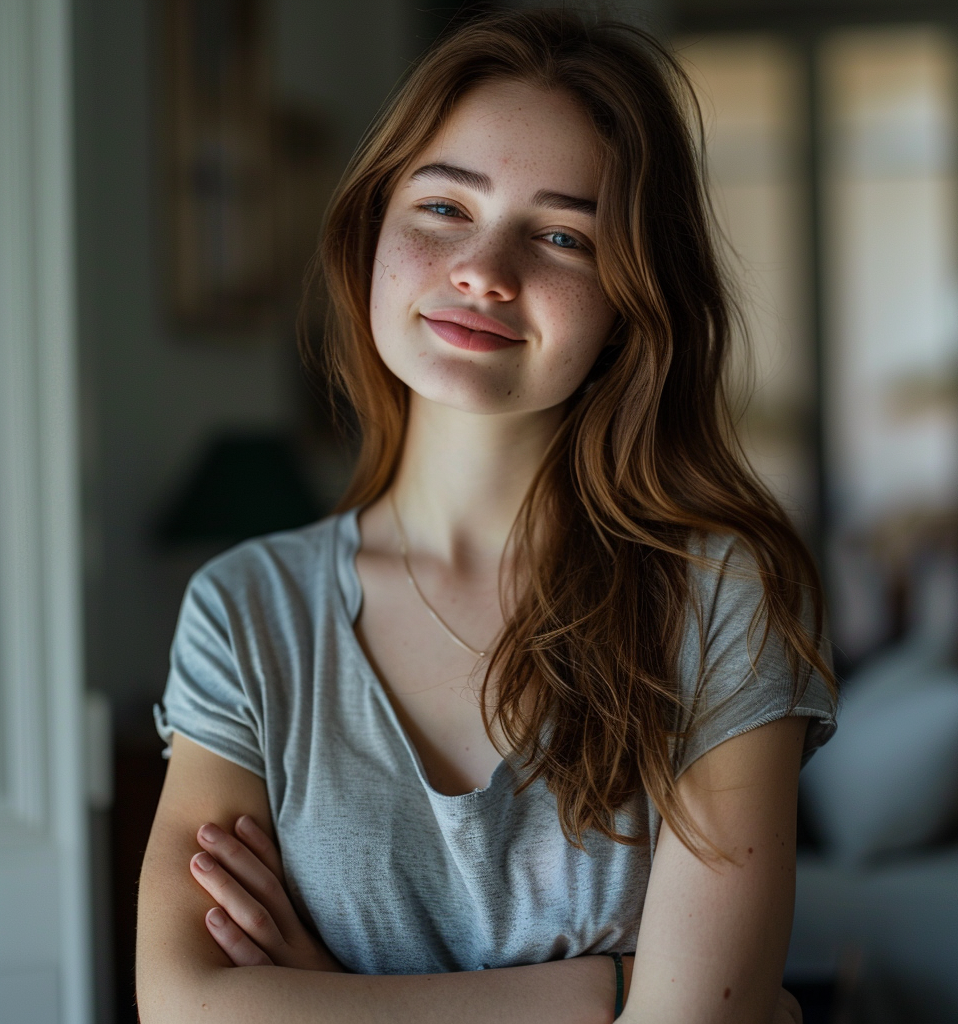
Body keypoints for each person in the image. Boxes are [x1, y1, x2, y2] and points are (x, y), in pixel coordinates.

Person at [136, 9, 838, 1023]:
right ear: (373, 230)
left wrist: (325, 999)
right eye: (443, 207)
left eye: (561, 234)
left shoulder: (722, 599)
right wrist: (603, 986)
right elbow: (191, 1006)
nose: (483, 270)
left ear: (629, 305)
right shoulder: (245, 610)